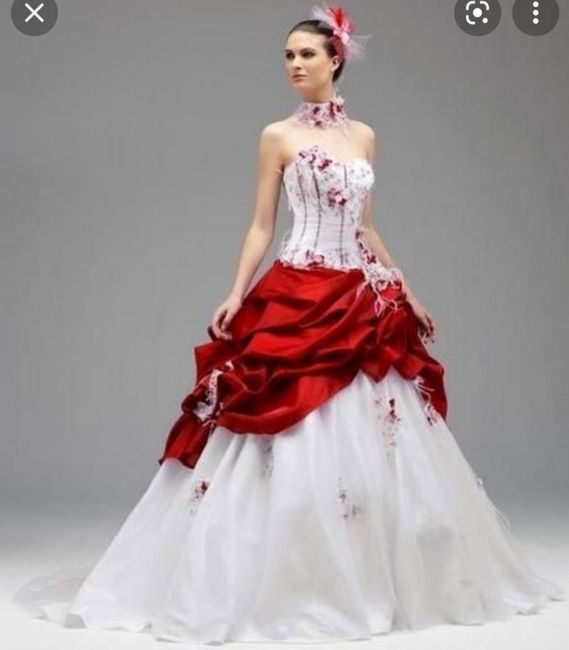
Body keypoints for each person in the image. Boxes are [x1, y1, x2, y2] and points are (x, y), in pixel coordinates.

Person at [12, 3, 564, 644]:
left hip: (362, 293)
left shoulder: (364, 136)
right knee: (277, 423)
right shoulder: (277, 135)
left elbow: (366, 227)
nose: (294, 65)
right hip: (299, 288)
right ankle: (278, 582)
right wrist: (236, 291)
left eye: (306, 54)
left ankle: (376, 579)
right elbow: (261, 225)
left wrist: (406, 291)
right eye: (287, 56)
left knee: (384, 437)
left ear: (336, 60)